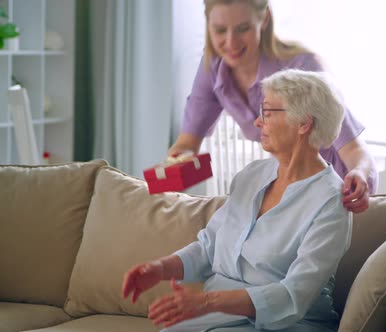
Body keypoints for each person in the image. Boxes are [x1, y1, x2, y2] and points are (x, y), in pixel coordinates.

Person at [122, 69, 352, 331]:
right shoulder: (252, 175)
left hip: (287, 323)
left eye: (266, 112)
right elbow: (209, 245)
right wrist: (160, 269)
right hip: (216, 314)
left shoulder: (332, 200)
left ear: (303, 123)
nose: (257, 122)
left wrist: (208, 301)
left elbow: (295, 295)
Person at [169, 0, 377, 213]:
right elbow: (188, 147)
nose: (230, 42)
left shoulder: (303, 67)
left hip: (340, 187)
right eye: (220, 30)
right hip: (291, 184)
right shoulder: (213, 68)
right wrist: (160, 190)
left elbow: (354, 150)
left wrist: (359, 175)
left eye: (243, 28)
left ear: (264, 19)